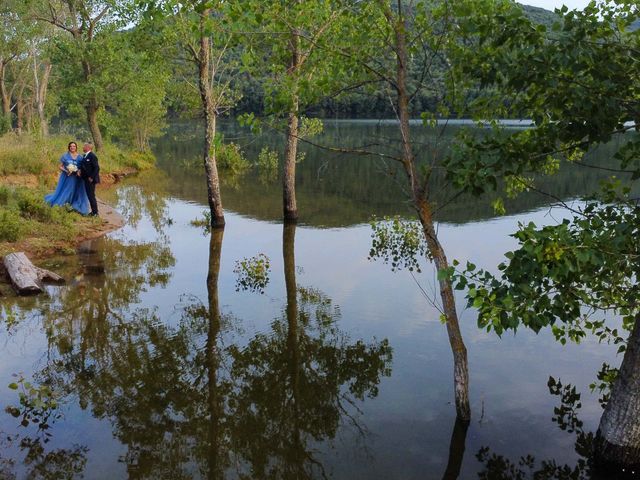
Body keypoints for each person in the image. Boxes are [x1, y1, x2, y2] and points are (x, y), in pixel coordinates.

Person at [44, 141, 90, 215]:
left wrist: (78, 171)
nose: (72, 147)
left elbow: (82, 167)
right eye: (71, 146)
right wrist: (66, 170)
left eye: (74, 146)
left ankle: (72, 204)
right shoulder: (65, 156)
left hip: (77, 178)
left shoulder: (80, 157)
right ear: (69, 147)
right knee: (68, 190)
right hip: (67, 176)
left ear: (76, 147)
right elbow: (60, 166)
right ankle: (64, 203)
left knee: (75, 190)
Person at [79, 142, 100, 217]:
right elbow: (84, 166)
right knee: (89, 195)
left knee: (91, 196)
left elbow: (97, 168)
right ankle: (93, 212)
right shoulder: (85, 155)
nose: (83, 147)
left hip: (91, 180)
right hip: (86, 179)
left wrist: (91, 177)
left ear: (88, 147)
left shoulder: (92, 156)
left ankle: (95, 213)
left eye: (84, 146)